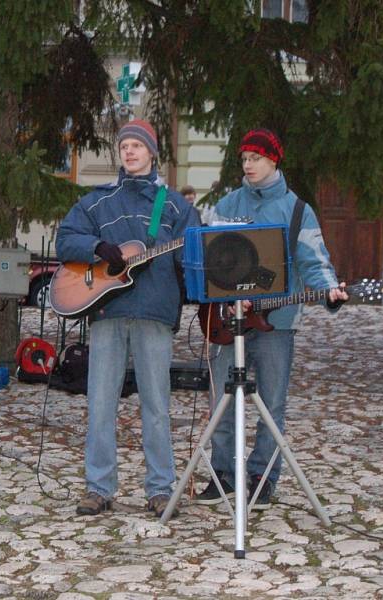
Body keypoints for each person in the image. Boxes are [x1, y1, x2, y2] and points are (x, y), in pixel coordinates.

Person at [196, 128, 348, 510]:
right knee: (222, 402)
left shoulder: (299, 210)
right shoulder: (227, 204)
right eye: (244, 159)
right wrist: (223, 302)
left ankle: (262, 479)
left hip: (277, 323)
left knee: (272, 403)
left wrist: (329, 290)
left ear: (273, 161)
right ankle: (224, 477)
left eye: (256, 159)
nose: (248, 165)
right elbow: (210, 259)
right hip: (227, 321)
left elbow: (315, 260)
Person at [56, 119, 200, 518]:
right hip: (108, 311)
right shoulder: (97, 201)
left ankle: (160, 488)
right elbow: (65, 239)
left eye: (138, 146)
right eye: (125, 146)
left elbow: (194, 256)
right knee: (101, 403)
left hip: (154, 312)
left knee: (156, 406)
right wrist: (97, 246)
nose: (130, 152)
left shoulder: (174, 206)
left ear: (152, 152)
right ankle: (99, 488)